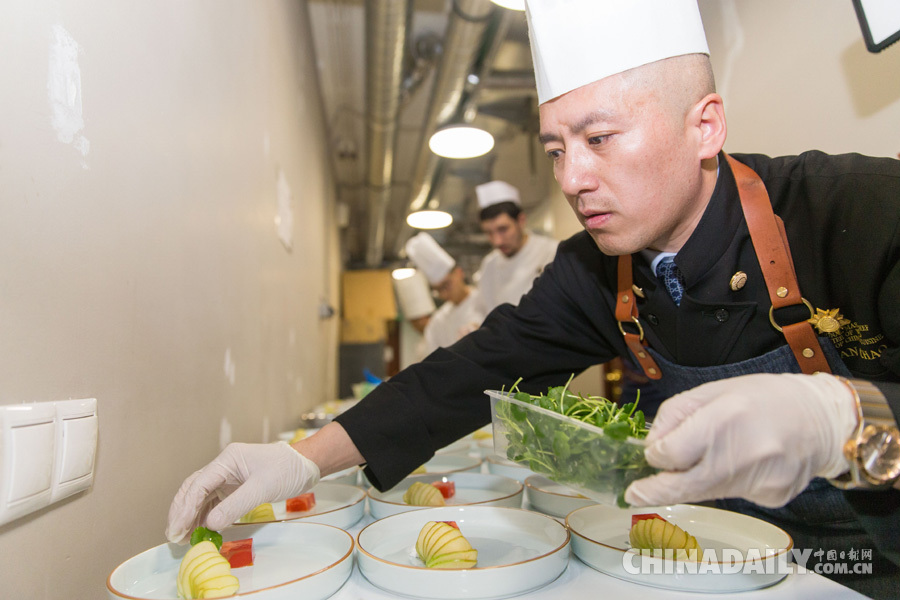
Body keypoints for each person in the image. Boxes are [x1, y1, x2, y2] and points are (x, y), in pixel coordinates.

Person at [167, 1, 900, 595]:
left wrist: (842, 419)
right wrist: (301, 460)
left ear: (704, 125)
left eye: (601, 137)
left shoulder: (861, 213)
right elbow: (461, 375)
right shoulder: (593, 272)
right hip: (699, 564)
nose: (571, 179)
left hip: (868, 570)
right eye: (555, 149)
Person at [473, 180, 559, 314]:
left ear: (521, 221)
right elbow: (480, 312)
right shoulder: (489, 266)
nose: (497, 242)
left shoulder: (551, 252)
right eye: (489, 233)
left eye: (503, 229)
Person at [403, 232, 486, 358]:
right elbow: (432, 360)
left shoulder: (486, 300)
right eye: (438, 290)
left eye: (446, 285)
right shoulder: (438, 321)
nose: (444, 293)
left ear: (459, 273)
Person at [392, 268, 435, 368]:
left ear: (421, 319)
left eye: (413, 323)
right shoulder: (423, 341)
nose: (413, 327)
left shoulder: (438, 334)